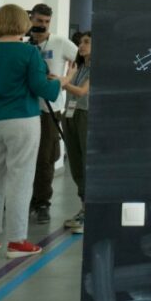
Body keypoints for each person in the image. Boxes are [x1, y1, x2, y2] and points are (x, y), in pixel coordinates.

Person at [0, 4, 64, 258]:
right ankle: (17, 241)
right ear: (24, 23)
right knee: (20, 179)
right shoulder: (29, 52)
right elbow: (41, 87)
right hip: (21, 120)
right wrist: (61, 84)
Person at [26, 3, 78, 224]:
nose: (43, 26)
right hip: (25, 108)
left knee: (45, 158)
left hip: (50, 108)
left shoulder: (59, 42)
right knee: (23, 157)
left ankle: (42, 202)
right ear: (30, 20)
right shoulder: (23, 43)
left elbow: (83, 59)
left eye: (47, 22)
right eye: (39, 21)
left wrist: (67, 80)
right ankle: (25, 200)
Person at [61, 32, 91, 233]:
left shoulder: (96, 68)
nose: (81, 45)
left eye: (87, 42)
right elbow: (70, 87)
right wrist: (65, 79)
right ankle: (83, 208)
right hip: (70, 115)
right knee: (75, 163)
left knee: (86, 162)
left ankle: (89, 212)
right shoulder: (78, 67)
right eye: (80, 42)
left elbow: (81, 92)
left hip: (85, 115)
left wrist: (63, 82)